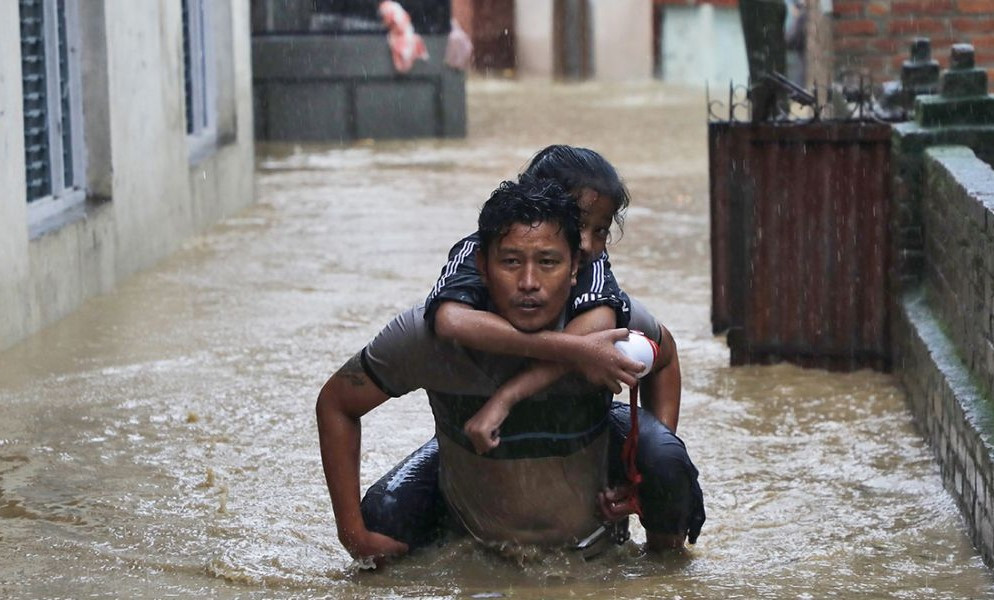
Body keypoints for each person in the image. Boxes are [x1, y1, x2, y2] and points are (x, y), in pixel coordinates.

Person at [316, 177, 704, 564]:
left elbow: (664, 356)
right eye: (511, 262)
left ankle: (664, 563)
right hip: (468, 510)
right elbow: (337, 403)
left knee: (665, 460)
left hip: (592, 528)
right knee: (380, 526)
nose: (529, 283)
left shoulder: (608, 326)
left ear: (575, 268)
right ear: (482, 266)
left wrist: (637, 473)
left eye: (548, 262)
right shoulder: (426, 335)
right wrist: (351, 534)